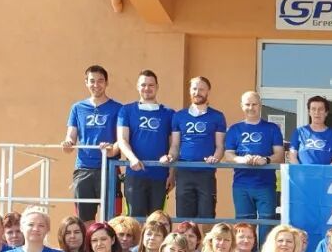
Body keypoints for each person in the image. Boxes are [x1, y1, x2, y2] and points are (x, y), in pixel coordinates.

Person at [61, 65, 123, 221]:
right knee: (85, 220)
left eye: (100, 81)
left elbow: (122, 139)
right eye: (92, 81)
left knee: (112, 219)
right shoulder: (77, 108)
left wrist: (112, 148)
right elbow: (70, 138)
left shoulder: (119, 109)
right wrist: (68, 143)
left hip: (109, 168)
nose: (96, 85)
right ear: (86, 83)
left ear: (106, 83)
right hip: (83, 169)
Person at [225, 91, 283, 242]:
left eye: (254, 104)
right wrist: (241, 160)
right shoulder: (234, 129)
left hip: (266, 185)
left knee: (267, 226)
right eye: (247, 104)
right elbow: (228, 155)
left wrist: (266, 160)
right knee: (244, 228)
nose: (251, 108)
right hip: (241, 186)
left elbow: (280, 155)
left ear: (260, 105)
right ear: (241, 106)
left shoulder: (272, 128)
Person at [116, 69, 174, 218]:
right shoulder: (126, 110)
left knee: (157, 221)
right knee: (135, 221)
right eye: (143, 85)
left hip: (160, 176)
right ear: (137, 86)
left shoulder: (169, 113)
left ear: (157, 87)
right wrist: (132, 159)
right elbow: (122, 140)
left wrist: (172, 174)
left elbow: (174, 146)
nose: (147, 88)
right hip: (135, 175)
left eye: (151, 85)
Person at [166, 76, 226, 219]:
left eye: (201, 89)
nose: (197, 92)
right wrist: (170, 158)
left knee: (207, 218)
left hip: (206, 173)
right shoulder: (179, 116)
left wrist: (215, 158)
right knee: (184, 220)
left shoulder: (217, 116)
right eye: (194, 89)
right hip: (184, 173)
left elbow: (220, 147)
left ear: (208, 91)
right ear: (189, 90)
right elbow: (175, 146)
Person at [288, 95, 332, 166]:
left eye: (320, 109)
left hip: (325, 173)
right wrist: (300, 171)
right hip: (303, 173)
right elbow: (292, 157)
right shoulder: (299, 132)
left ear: (326, 113)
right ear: (309, 112)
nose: (317, 112)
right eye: (313, 109)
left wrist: (325, 171)